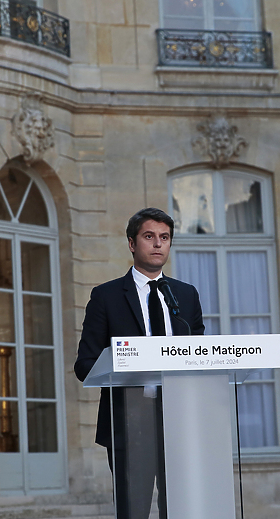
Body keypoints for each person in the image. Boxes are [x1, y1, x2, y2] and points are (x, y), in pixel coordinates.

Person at [74, 207, 204, 519]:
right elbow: (85, 364)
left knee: (179, 510)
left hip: (179, 419)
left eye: (165, 237)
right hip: (130, 420)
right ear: (132, 244)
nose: (158, 244)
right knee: (134, 511)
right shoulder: (106, 296)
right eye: (149, 237)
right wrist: (125, 363)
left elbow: (200, 356)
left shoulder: (185, 296)